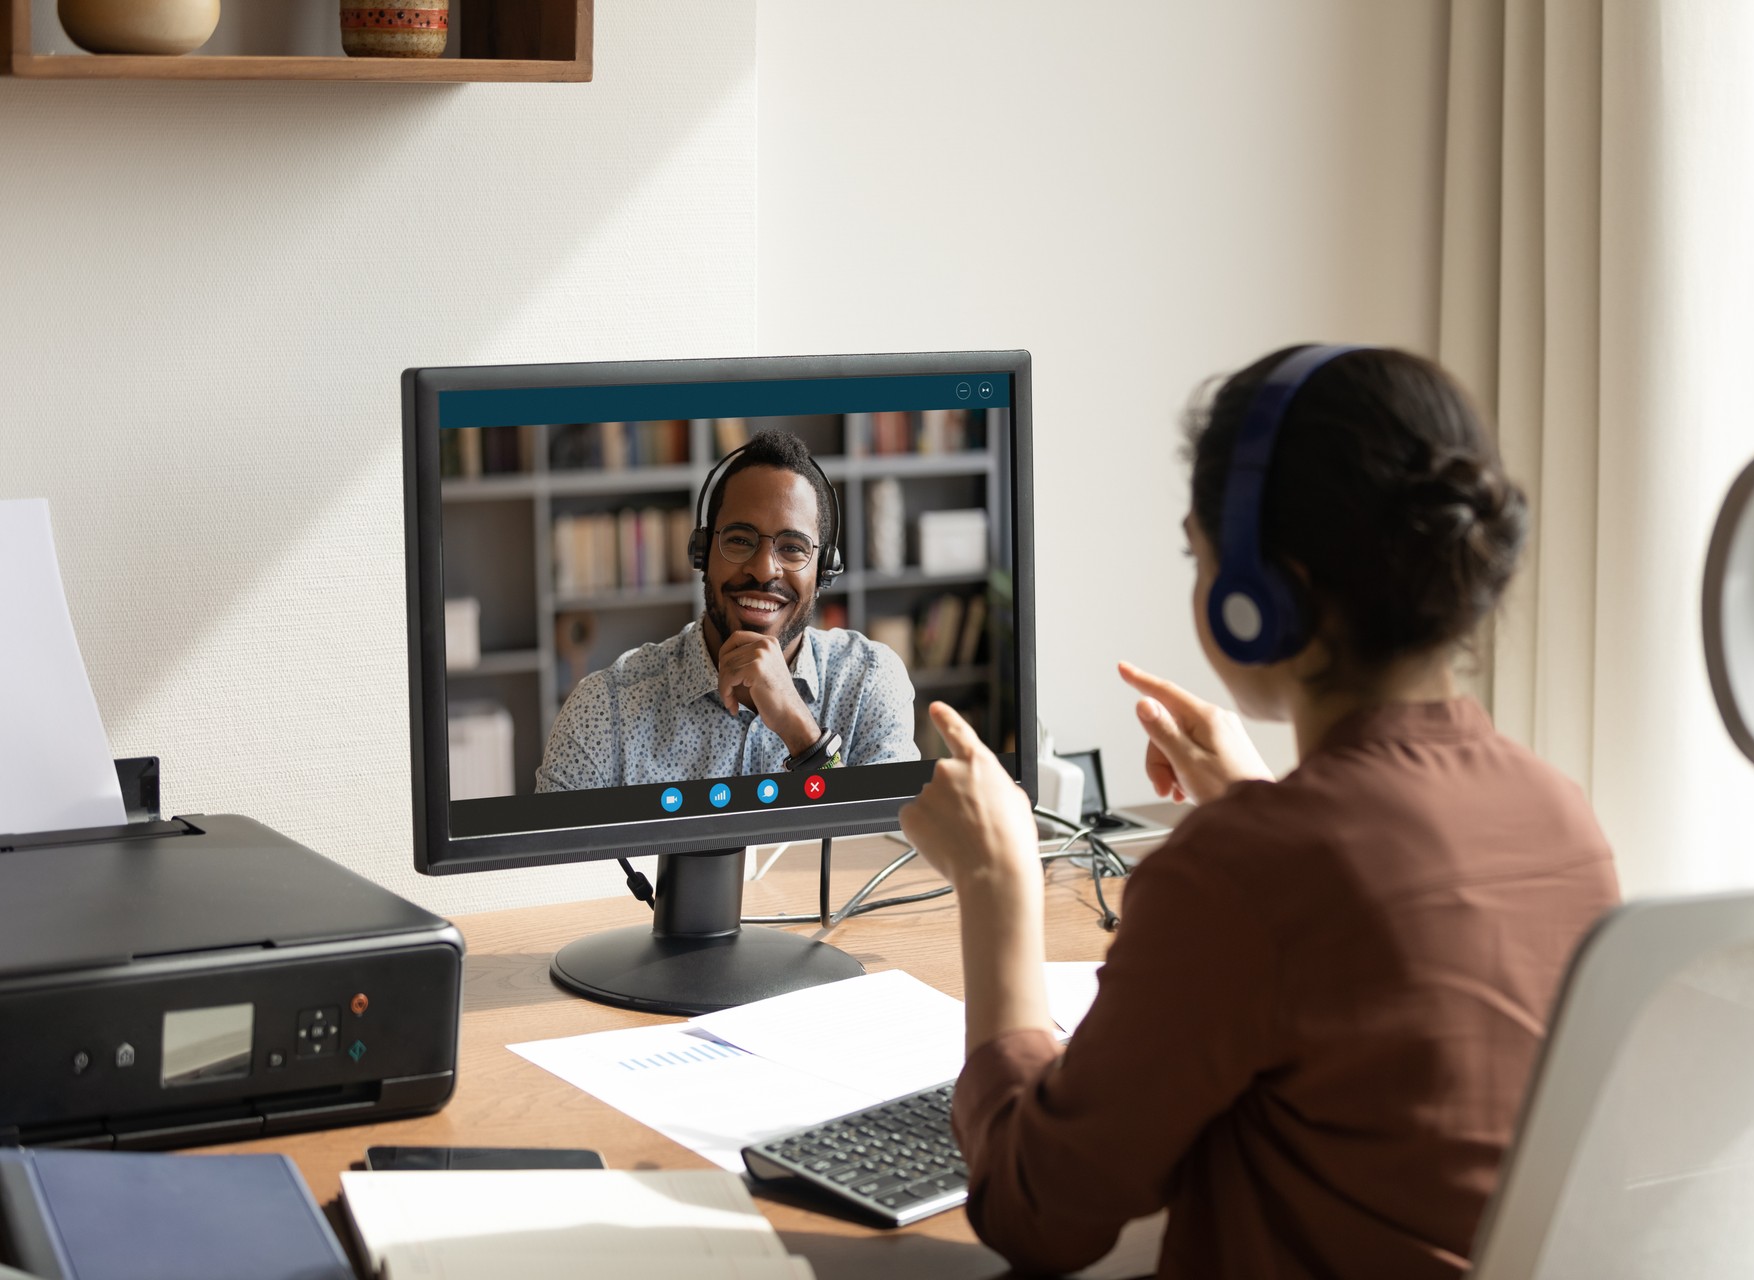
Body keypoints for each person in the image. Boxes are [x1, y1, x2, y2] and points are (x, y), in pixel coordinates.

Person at [899, 346, 1619, 1278]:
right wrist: (1260, 808)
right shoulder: (1561, 818)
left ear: (1258, 598)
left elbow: (1038, 1212)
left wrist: (998, 883)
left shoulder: (1248, 869)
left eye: (1198, 555)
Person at [536, 429, 917, 791]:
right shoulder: (606, 708)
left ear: (823, 571)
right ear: (702, 553)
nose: (765, 568)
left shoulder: (869, 682)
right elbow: (551, 859)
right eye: (739, 540)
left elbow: (888, 848)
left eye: (793, 547)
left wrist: (801, 734)